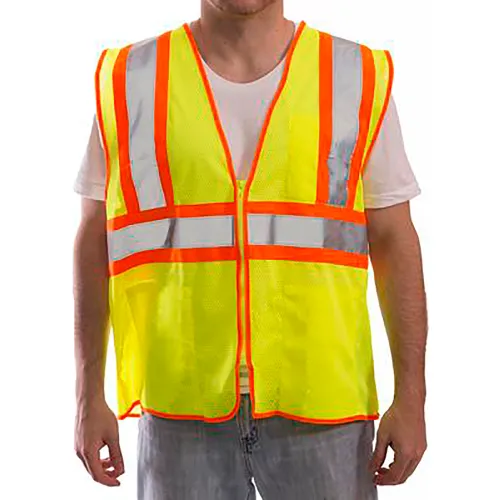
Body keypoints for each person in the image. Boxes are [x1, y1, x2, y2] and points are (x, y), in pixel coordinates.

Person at [73, 1, 428, 498]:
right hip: (179, 406)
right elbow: (95, 242)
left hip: (323, 405)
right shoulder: (130, 79)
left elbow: (395, 240)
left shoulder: (354, 76)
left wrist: (411, 397)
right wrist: (88, 395)